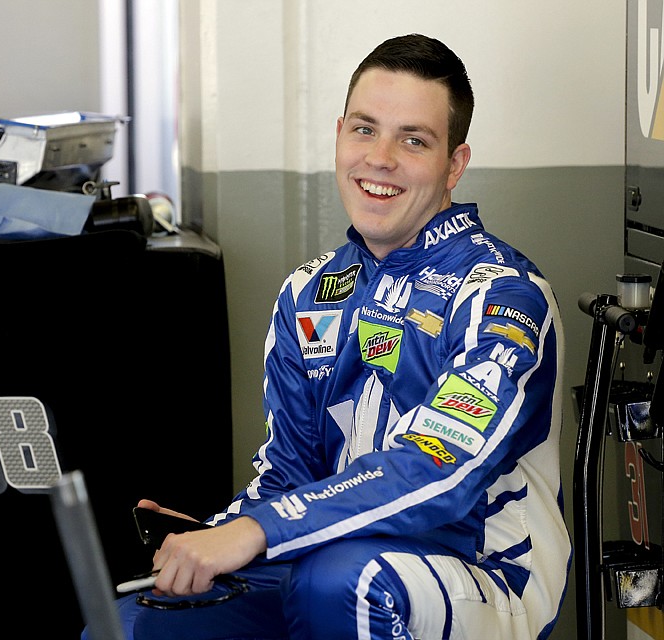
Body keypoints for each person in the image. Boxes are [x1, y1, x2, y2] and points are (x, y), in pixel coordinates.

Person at [83, 33, 571, 640]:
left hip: (482, 574)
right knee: (134, 625)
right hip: (324, 557)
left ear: (455, 165)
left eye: (413, 140)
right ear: (340, 134)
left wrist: (258, 532)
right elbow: (287, 477)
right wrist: (212, 533)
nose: (380, 158)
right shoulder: (309, 292)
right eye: (365, 130)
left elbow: (436, 470)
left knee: (343, 582)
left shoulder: (503, 295)